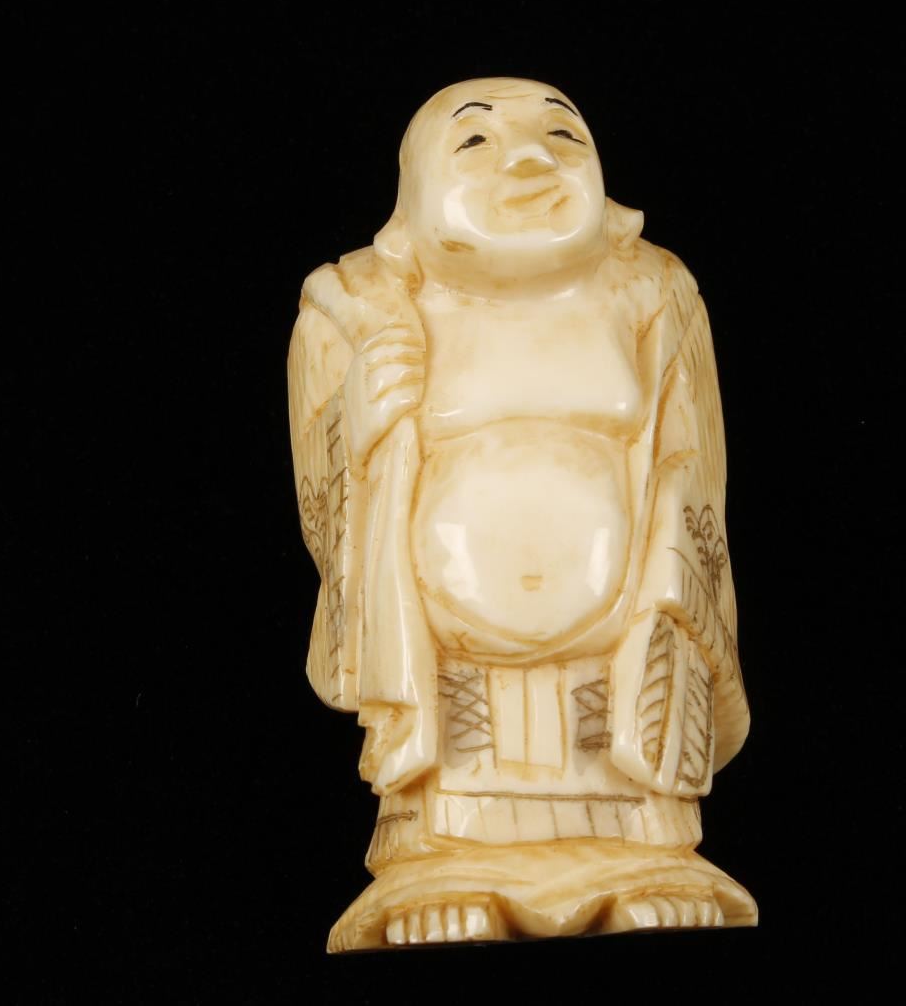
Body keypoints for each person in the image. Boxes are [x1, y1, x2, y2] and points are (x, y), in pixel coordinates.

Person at [288, 77, 755, 951]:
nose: (532, 158)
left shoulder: (652, 289)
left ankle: (646, 863)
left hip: (618, 647)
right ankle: (441, 870)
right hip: (451, 667)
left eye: (563, 135)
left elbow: (696, 467)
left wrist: (670, 607)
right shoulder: (358, 306)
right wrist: (358, 418)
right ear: (411, 195)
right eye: (475, 143)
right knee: (454, 812)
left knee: (633, 781)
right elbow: (323, 505)